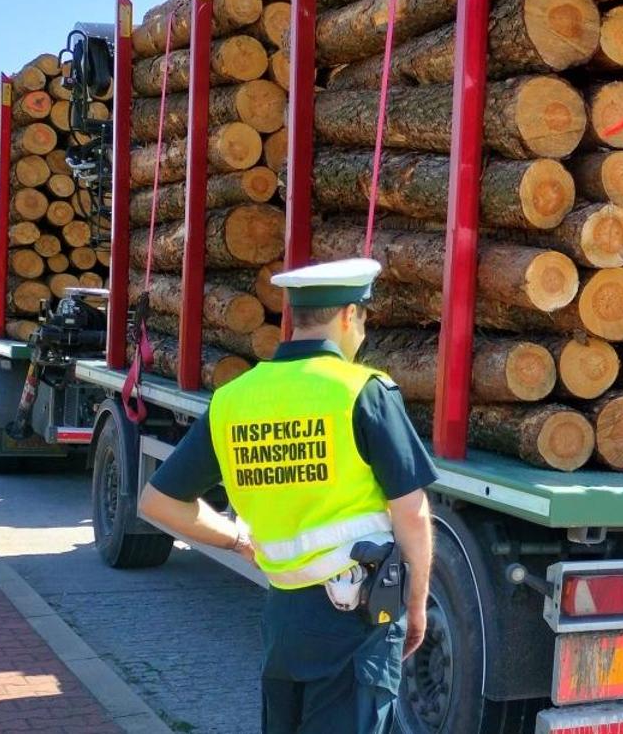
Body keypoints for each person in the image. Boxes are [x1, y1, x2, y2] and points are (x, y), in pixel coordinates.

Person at [139, 258, 436, 733]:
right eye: (363, 318)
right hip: (357, 622)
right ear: (347, 316)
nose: (362, 331)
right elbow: (412, 514)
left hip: (284, 618)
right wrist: (417, 605)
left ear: (294, 318)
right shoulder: (364, 391)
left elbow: (157, 502)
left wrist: (238, 542)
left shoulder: (233, 399)